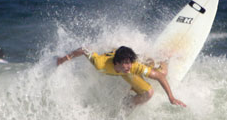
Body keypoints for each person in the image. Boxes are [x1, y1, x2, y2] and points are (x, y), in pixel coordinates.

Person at [56, 46, 186, 107]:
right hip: (116, 60)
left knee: (162, 74)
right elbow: (84, 49)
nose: (128, 67)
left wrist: (171, 97)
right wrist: (64, 58)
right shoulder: (100, 64)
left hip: (129, 57)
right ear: (116, 63)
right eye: (124, 64)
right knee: (148, 91)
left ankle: (165, 57)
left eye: (129, 63)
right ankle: (128, 101)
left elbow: (159, 77)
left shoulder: (132, 66)